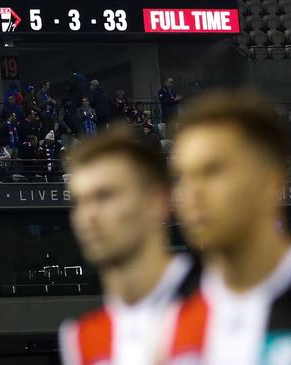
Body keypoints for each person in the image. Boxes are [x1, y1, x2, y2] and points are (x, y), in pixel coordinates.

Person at [166, 90, 291, 365]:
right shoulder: (171, 315)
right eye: (182, 176)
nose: (192, 193)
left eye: (212, 171)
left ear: (270, 180)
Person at [60, 127, 195, 365]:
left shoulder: (223, 307)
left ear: (156, 201)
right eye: (79, 202)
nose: (87, 216)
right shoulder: (81, 337)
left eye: (105, 196)